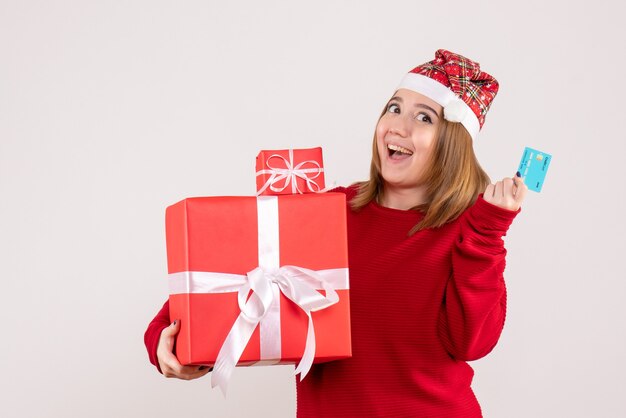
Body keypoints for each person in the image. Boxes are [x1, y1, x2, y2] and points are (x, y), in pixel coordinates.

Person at [144, 49, 528, 417]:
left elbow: (473, 343)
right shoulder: (326, 213)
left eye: (425, 118)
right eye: (393, 108)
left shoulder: (469, 229)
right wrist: (165, 340)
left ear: (453, 144)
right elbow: (223, 285)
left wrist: (487, 233)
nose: (399, 125)